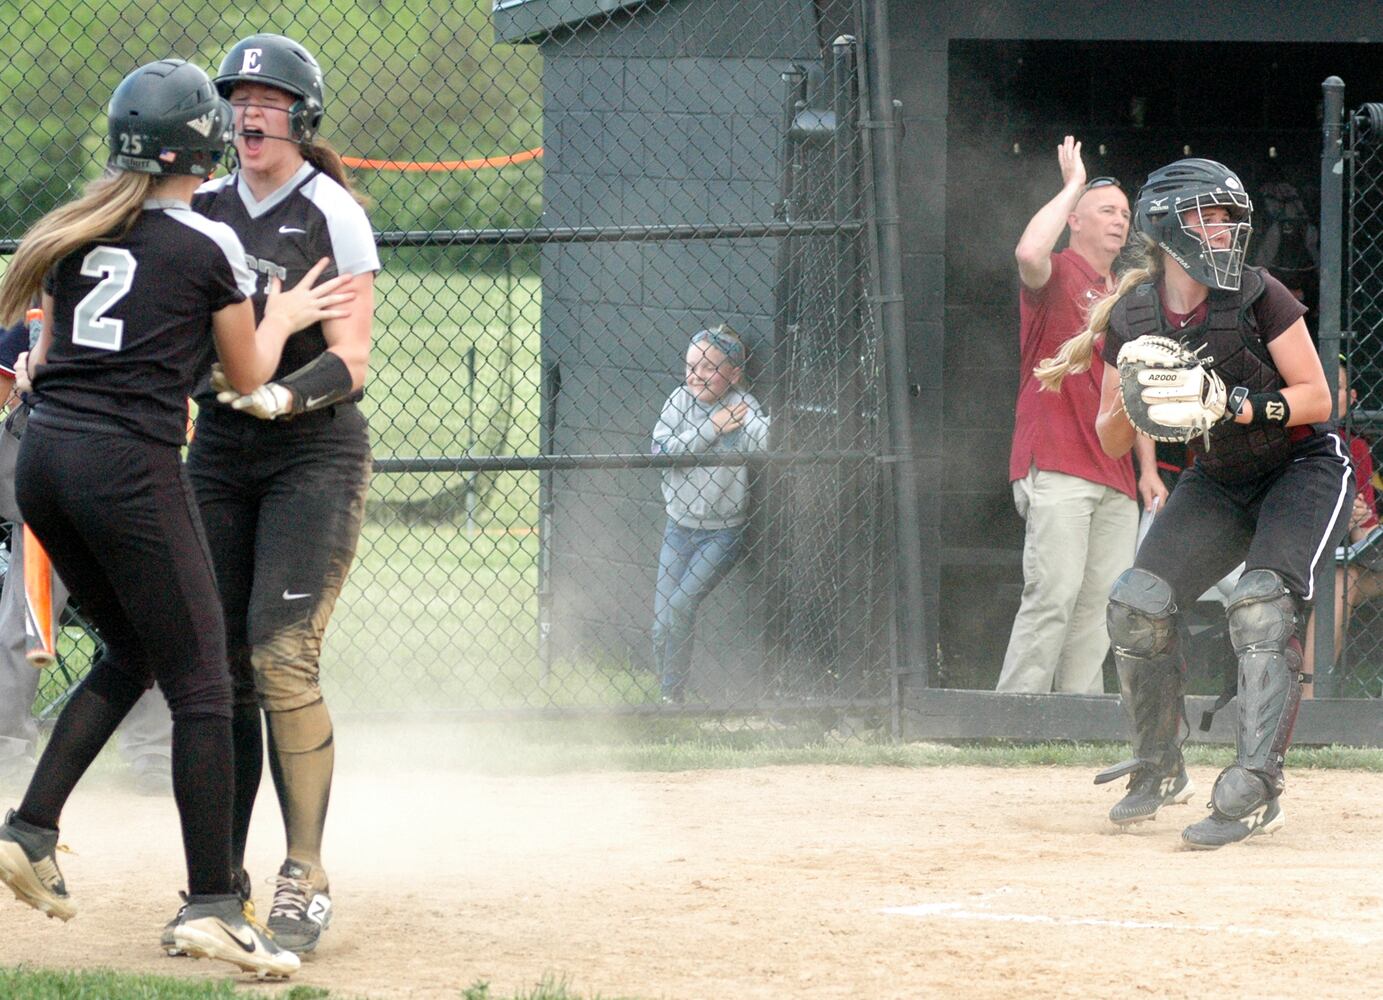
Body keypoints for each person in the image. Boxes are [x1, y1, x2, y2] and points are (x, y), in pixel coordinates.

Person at [0, 58, 353, 976]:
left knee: (134, 654)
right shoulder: (207, 244)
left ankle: (29, 830)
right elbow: (246, 379)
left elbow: (50, 350)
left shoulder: (76, 232)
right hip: (126, 469)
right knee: (203, 683)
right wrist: (280, 313)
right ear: (200, 141)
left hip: (42, 462)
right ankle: (210, 903)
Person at [1036, 157, 1352, 848]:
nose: (1223, 230)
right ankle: (1157, 759)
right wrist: (1140, 403)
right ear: (1164, 224)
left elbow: (1316, 397)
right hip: (1217, 478)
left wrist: (1231, 402)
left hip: (1298, 466)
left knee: (1262, 604)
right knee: (1137, 602)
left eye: (1229, 217)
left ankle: (1254, 782)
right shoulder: (1136, 310)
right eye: (1207, 216)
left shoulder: (1256, 293)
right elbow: (1110, 433)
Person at [178, 33, 380, 955]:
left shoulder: (330, 212)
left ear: (303, 117)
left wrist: (279, 390)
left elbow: (353, 361)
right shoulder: (203, 208)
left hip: (311, 455)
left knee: (281, 656)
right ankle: (220, 885)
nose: (249, 114)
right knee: (219, 672)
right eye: (237, 99)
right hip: (218, 453)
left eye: (268, 99)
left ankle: (306, 875)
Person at [996, 137, 1166, 695]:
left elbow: (1136, 393)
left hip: (1116, 475)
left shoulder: (1128, 294)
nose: (1120, 221)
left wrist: (1148, 470)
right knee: (1054, 594)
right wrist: (1072, 183)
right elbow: (1026, 254)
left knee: (1099, 611)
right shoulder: (1060, 272)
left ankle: (1076, 725)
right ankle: (1011, 718)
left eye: (1124, 213)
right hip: (1060, 463)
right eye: (1106, 211)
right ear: (1075, 221)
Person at [0, 319, 175, 797]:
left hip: (131, 475)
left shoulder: (155, 305)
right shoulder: (41, 313)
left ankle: (155, 755)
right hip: (46, 487)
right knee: (24, 626)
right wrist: (25, 378)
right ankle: (5, 753)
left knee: (156, 620)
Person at [651, 324, 769, 704]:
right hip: (678, 527)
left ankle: (672, 697)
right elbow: (662, 453)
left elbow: (765, 443)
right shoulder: (678, 401)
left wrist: (753, 417)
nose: (695, 375)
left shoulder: (743, 405)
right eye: (690, 366)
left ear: (734, 374)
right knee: (660, 624)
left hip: (722, 533)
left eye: (708, 368)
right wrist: (710, 428)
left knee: (682, 606)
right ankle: (666, 691)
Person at [1302, 361, 1383, 696]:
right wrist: (1334, 515)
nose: (1330, 394)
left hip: (1349, 562)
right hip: (1300, 557)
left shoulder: (1357, 448)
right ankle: (1308, 700)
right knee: (1335, 581)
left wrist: (1355, 519)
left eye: (1336, 386)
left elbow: (1366, 541)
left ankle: (1312, 698)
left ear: (1350, 397)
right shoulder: (1290, 443)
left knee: (1342, 580)